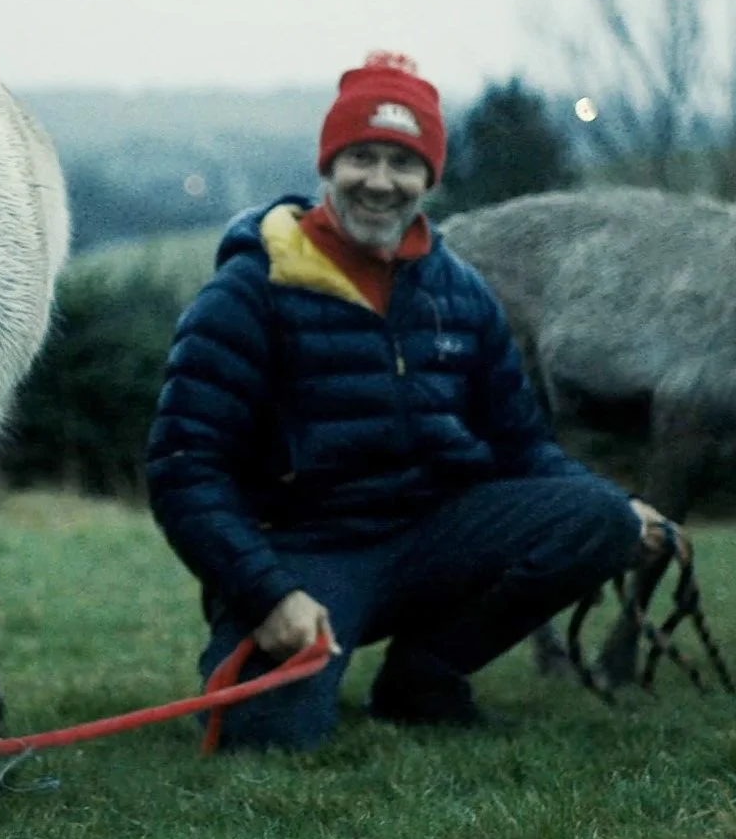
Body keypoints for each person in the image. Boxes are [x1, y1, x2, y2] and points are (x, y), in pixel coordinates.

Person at [144, 50, 672, 751]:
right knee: (265, 739)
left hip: (433, 537)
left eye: (403, 162)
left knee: (599, 519)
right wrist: (264, 593)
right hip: (304, 552)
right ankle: (275, 659)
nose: (380, 182)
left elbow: (522, 445)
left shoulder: (461, 294)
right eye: (361, 157)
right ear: (328, 168)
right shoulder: (245, 294)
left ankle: (424, 676)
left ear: (429, 176)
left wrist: (619, 507)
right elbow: (184, 469)